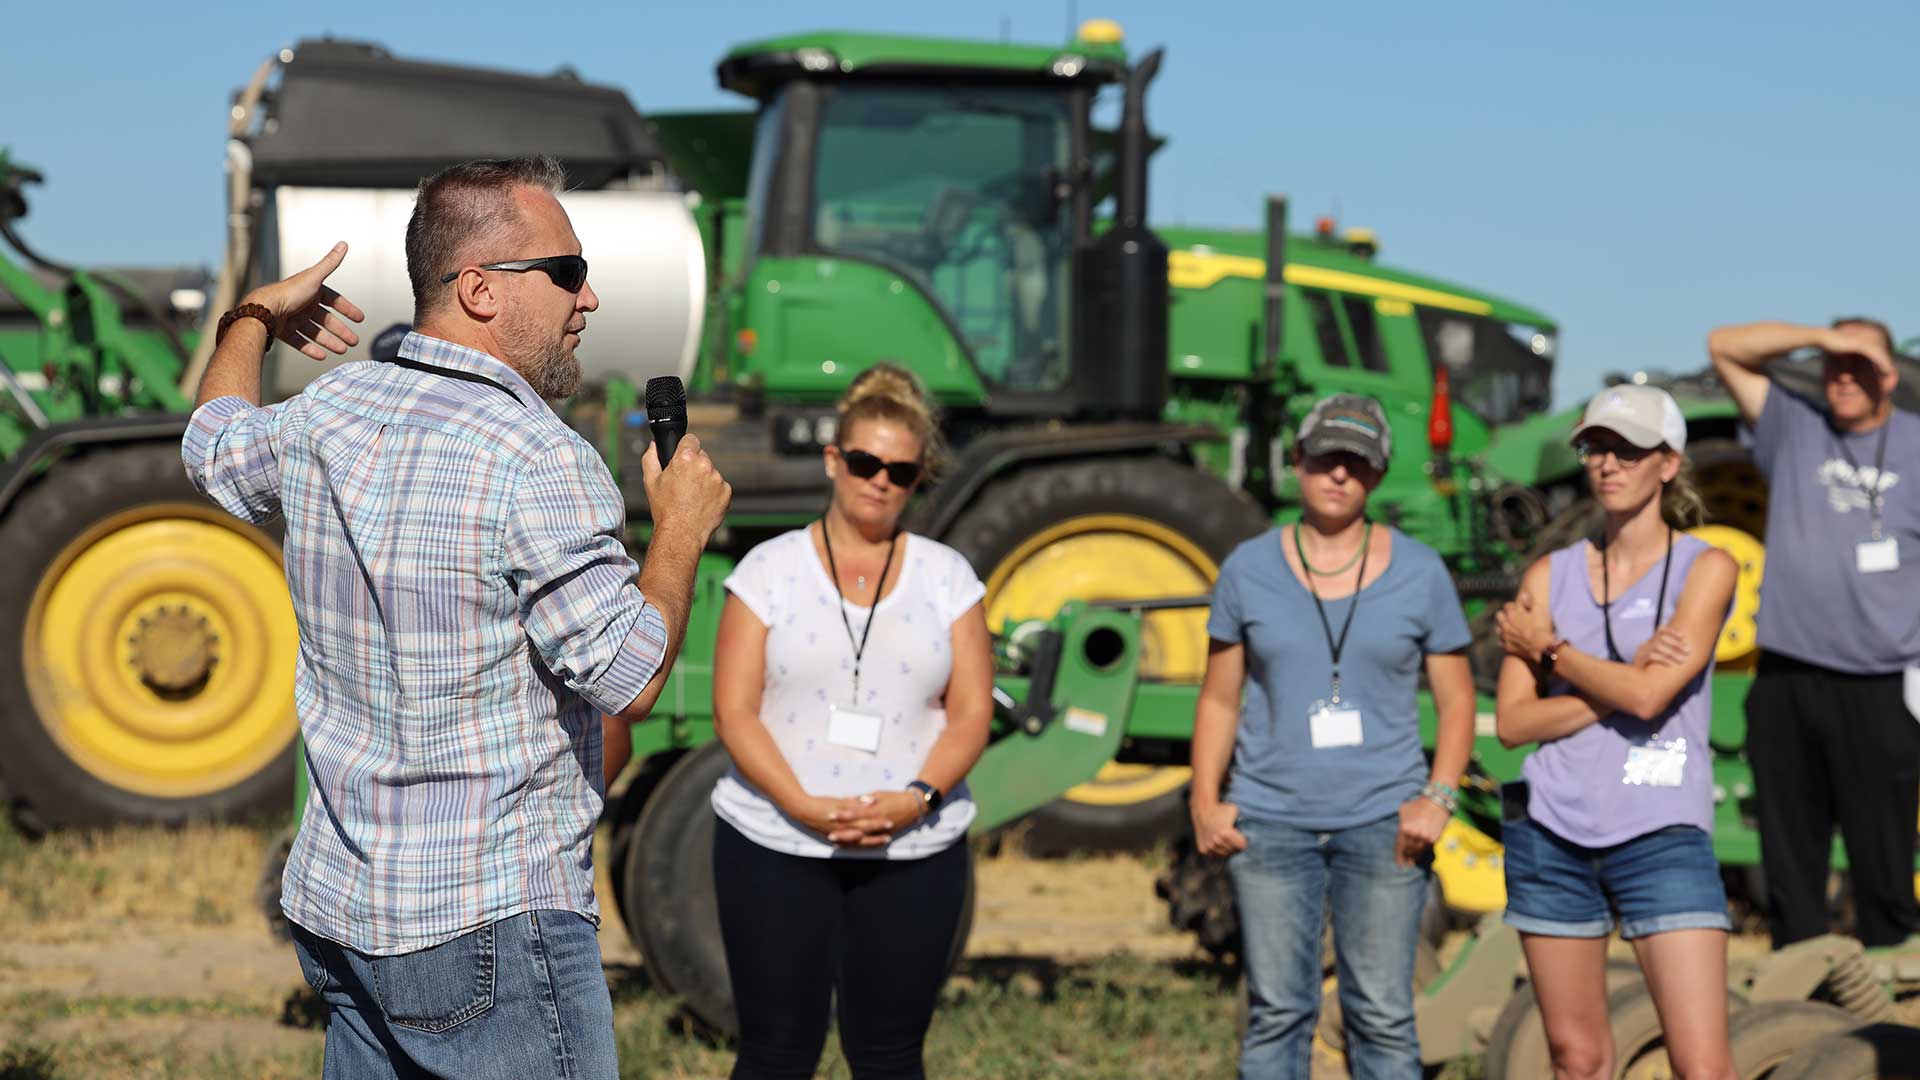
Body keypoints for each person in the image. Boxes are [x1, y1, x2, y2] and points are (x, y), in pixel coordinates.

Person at [182, 156, 731, 1078]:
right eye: (566, 271)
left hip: (343, 909)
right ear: (479, 288)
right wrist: (678, 536)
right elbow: (629, 678)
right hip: (490, 925)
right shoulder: (539, 458)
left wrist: (253, 318)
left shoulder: (330, 411)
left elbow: (213, 442)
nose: (588, 297)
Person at [709, 363, 993, 1080]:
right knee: (777, 1053)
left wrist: (916, 800)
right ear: (834, 460)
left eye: (900, 471)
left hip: (914, 849)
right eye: (866, 462)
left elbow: (970, 713)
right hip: (774, 839)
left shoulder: (948, 578)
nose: (880, 481)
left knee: (889, 1055)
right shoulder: (768, 570)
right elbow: (735, 710)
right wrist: (802, 804)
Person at [1190, 393, 1477, 1079]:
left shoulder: (1420, 572)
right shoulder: (1247, 569)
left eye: (1357, 461)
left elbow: (1458, 699)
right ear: (1297, 463)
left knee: (1380, 1013)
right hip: (1271, 821)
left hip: (1385, 822)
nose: (1339, 474)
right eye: (1325, 457)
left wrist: (1439, 796)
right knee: (1277, 1013)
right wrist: (1206, 800)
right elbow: (1220, 699)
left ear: (1376, 475)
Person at [1493, 384, 1739, 1080]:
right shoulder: (1550, 573)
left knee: (1702, 1066)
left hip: (1661, 833)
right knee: (1577, 1059)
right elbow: (1514, 723)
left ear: (1668, 463)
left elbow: (1656, 692)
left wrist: (1555, 655)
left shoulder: (1707, 568)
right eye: (1596, 448)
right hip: (1551, 836)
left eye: (1627, 450)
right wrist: (1620, 685)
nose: (1607, 464)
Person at [1707, 318, 1920, 950]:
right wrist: (1823, 339)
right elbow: (1724, 347)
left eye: (1861, 365)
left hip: (1881, 680)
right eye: (1835, 365)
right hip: (1787, 673)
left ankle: (1893, 990)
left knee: (1882, 851)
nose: (1844, 377)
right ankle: (1800, 979)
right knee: (1789, 848)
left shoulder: (1916, 442)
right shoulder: (1795, 427)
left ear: (1889, 375)